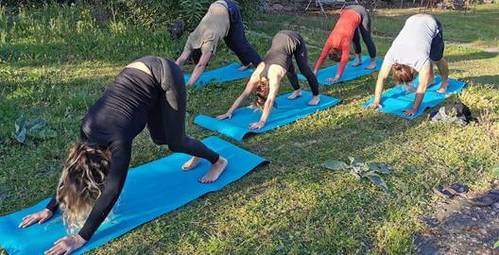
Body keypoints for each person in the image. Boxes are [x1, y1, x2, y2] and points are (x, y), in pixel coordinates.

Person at [17, 56, 228, 255]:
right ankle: (194, 153)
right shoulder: (87, 129)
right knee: (159, 138)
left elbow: (112, 190)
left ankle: (218, 161)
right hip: (139, 72)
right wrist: (49, 208)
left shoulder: (119, 142)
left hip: (165, 74)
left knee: (175, 141)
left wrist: (80, 237)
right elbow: (72, 172)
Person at [217, 30, 320, 130]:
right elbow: (245, 94)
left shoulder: (275, 77)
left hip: (294, 39)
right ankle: (297, 91)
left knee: (304, 70)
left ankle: (316, 96)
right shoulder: (256, 75)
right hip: (279, 37)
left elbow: (270, 100)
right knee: (289, 69)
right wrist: (228, 112)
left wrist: (261, 121)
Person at [369, 14, 449, 116]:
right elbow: (381, 77)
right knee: (427, 63)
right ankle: (431, 79)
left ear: (412, 70)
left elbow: (422, 86)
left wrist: (414, 108)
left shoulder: (420, 59)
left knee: (437, 58)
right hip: (412, 20)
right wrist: (376, 101)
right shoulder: (391, 55)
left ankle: (445, 82)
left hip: (431, 22)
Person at [176, 0, 261, 87]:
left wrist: (189, 85)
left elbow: (201, 64)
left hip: (230, 9)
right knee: (231, 43)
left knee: (240, 44)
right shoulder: (192, 39)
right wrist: (170, 74)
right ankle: (247, 63)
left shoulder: (208, 44)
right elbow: (181, 59)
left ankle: (261, 67)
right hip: (217, 6)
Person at [313, 4, 377, 83]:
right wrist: (315, 72)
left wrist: (337, 77)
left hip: (361, 12)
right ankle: (359, 60)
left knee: (366, 38)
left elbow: (344, 60)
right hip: (348, 10)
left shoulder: (344, 43)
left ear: (340, 54)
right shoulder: (330, 41)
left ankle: (373, 62)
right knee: (354, 38)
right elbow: (322, 56)